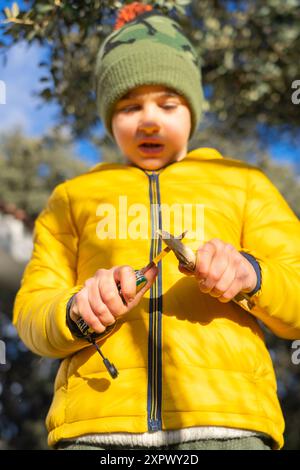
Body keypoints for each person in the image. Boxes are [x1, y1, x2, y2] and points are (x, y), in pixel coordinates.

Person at [13, 2, 300, 451]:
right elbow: (31, 310)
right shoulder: (72, 196)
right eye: (129, 106)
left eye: (168, 103)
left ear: (192, 110)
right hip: (94, 430)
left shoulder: (245, 183)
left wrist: (251, 275)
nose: (149, 119)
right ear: (109, 117)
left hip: (229, 426)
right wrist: (76, 311)